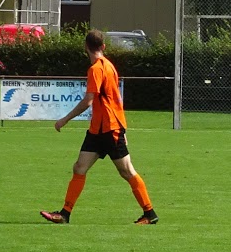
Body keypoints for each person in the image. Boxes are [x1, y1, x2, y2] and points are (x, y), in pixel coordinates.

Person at [40, 30, 157, 224]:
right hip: (98, 130)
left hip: (109, 129)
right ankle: (64, 214)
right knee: (79, 167)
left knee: (127, 171)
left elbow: (88, 101)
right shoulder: (110, 66)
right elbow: (116, 101)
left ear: (85, 46)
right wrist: (124, 128)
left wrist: (65, 119)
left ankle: (149, 213)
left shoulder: (96, 69)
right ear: (103, 47)